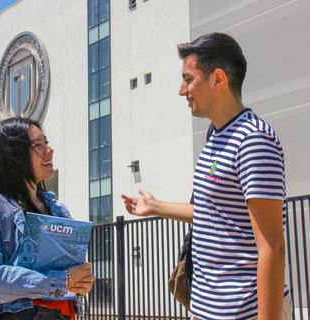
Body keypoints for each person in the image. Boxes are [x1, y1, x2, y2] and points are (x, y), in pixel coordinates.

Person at [122, 32, 292, 320]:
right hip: (207, 310)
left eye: (188, 79)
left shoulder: (253, 140)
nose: (181, 90)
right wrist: (155, 206)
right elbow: (213, 213)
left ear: (217, 79)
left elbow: (272, 247)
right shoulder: (216, 136)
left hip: (244, 313)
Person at [0, 117, 94, 320]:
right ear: (13, 156)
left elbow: (71, 274)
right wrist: (62, 280)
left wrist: (81, 283)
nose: (49, 150)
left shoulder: (57, 208)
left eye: (46, 143)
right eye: (38, 145)